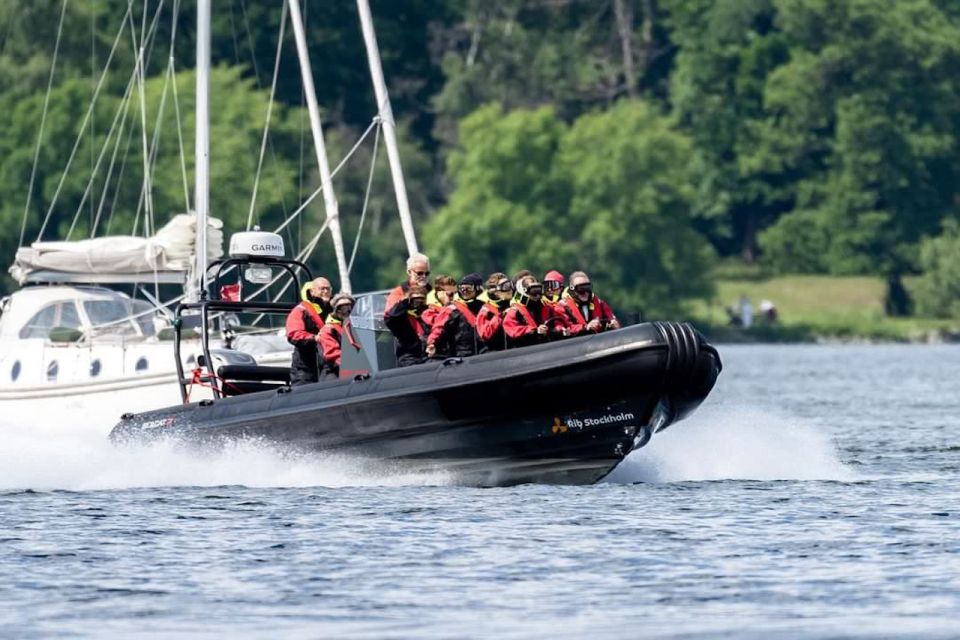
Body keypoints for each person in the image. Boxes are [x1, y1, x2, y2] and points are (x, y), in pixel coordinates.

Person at [285, 276, 334, 386]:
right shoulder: (301, 311)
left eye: (328, 289)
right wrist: (315, 338)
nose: (325, 291)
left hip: (329, 367)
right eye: (322, 289)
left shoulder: (336, 311)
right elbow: (294, 334)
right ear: (312, 291)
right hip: (305, 369)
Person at [426, 273, 486, 358]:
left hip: (481, 354)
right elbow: (439, 327)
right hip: (461, 355)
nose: (465, 291)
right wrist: (432, 342)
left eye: (468, 288)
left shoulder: (484, 308)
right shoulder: (451, 309)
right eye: (462, 288)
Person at [503, 275, 570, 348]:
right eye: (534, 291)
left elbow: (557, 324)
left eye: (539, 290)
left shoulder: (548, 308)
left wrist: (561, 330)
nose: (537, 295)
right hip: (525, 349)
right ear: (524, 291)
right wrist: (534, 331)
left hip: (547, 347)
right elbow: (512, 330)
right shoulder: (514, 312)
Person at [559, 271, 620, 335]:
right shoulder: (563, 306)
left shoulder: (600, 304)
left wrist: (613, 324)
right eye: (581, 289)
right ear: (572, 289)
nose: (585, 292)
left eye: (587, 288)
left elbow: (612, 319)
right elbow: (563, 329)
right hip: (575, 342)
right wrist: (586, 327)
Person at [385, 284, 430, 367]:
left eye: (421, 299)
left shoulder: (426, 314)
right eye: (415, 300)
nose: (418, 302)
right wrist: (405, 302)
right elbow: (391, 317)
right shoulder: (401, 317)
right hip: (409, 358)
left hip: (426, 356)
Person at [318, 293, 360, 380]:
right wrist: (353, 366)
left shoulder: (358, 327)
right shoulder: (328, 329)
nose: (347, 310)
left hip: (358, 368)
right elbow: (333, 355)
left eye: (349, 306)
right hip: (335, 370)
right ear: (335, 309)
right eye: (342, 307)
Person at [385, 253, 432, 317]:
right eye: (420, 273)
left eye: (426, 273)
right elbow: (390, 315)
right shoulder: (398, 292)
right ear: (409, 272)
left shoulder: (432, 292)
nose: (423, 276)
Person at [476, 272, 513, 351]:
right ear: (496, 292)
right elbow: (485, 333)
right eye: (505, 286)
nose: (509, 289)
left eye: (510, 285)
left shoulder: (514, 304)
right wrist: (501, 316)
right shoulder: (485, 311)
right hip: (495, 354)